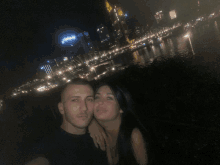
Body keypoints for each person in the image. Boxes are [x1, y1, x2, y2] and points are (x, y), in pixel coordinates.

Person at [25, 78, 108, 165]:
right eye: (75, 100)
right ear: (61, 108)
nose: (84, 108)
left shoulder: (103, 133)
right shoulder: (48, 148)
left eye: (89, 99)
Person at [90, 82, 149, 165]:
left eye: (109, 98)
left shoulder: (134, 136)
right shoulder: (96, 135)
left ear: (121, 108)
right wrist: (90, 123)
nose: (100, 102)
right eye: (97, 97)